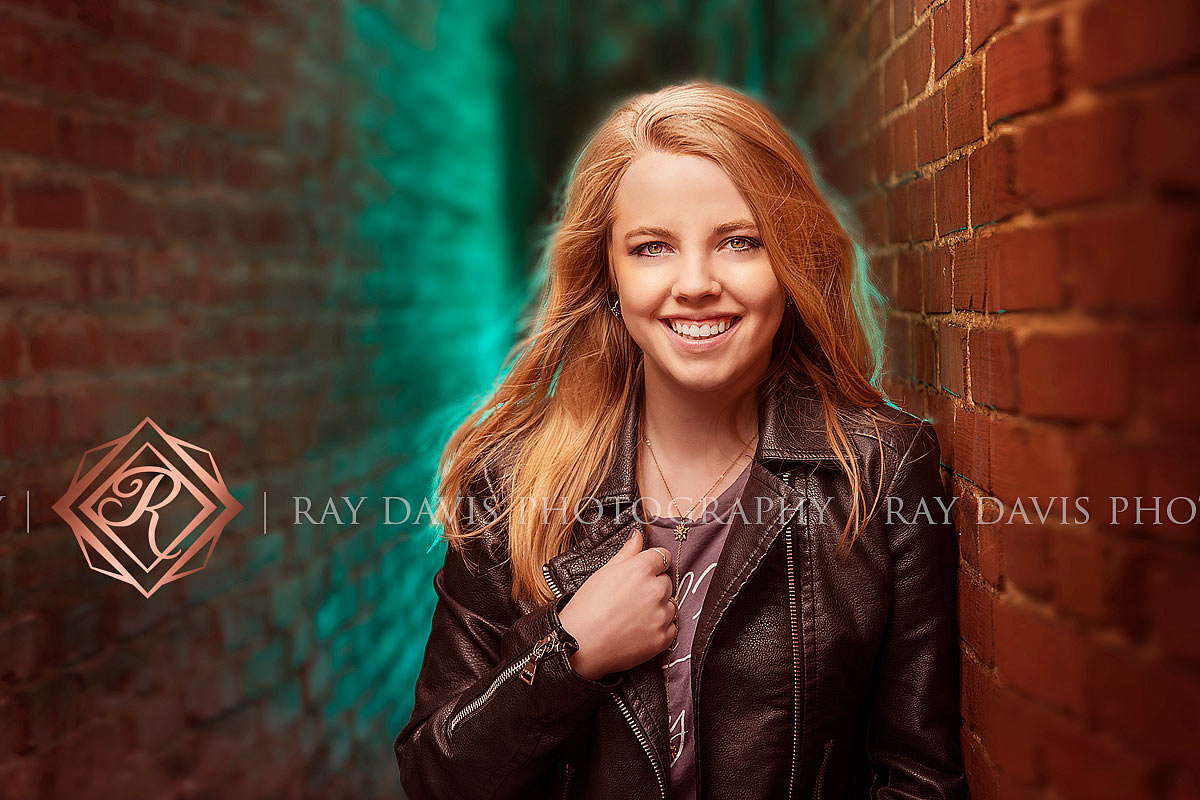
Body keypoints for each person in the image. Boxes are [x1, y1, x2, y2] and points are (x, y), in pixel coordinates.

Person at [394, 79, 968, 800]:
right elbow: (433, 776)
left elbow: (919, 778)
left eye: (739, 241)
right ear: (608, 274)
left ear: (790, 264)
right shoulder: (512, 482)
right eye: (652, 247)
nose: (695, 283)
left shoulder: (882, 469)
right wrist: (567, 654)